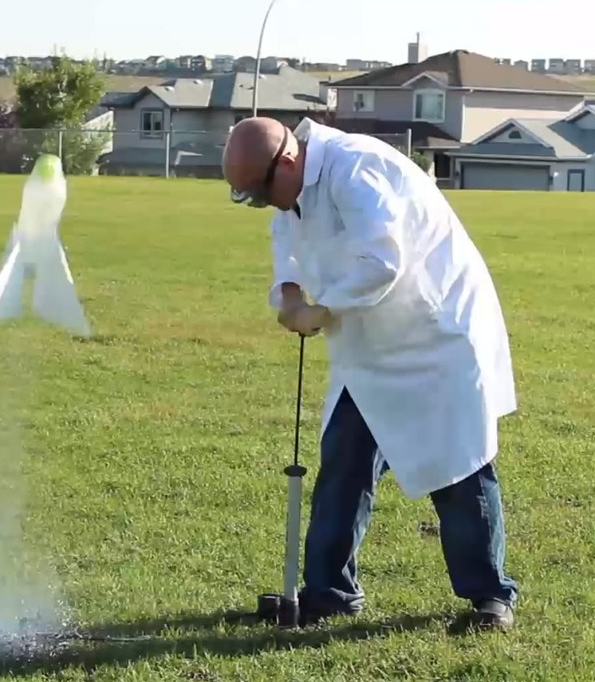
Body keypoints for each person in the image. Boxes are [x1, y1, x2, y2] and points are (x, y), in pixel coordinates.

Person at [222, 116, 520, 631]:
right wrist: (289, 292)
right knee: (344, 462)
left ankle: (491, 597)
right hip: (368, 346)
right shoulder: (291, 184)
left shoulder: (356, 168)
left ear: (287, 160)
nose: (261, 204)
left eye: (258, 192)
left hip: (435, 337)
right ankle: (330, 593)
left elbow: (383, 260)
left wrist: (322, 309)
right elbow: (286, 240)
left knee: (458, 467)